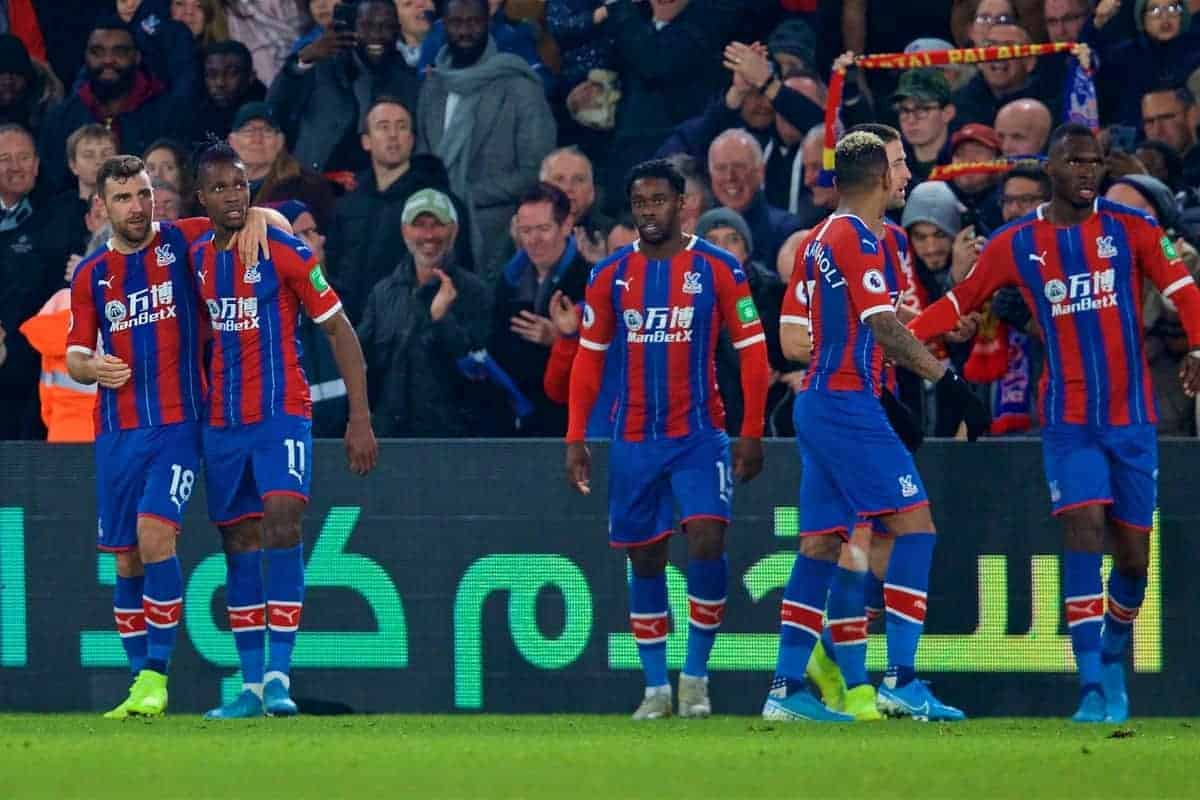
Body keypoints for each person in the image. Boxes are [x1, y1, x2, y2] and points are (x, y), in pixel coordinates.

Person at [909, 123, 1200, 723]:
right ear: (1052, 170)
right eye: (1075, 163)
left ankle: (1114, 656)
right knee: (1083, 528)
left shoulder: (1135, 230)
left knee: (1134, 562)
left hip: (1132, 419)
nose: (1088, 172)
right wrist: (896, 335)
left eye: (1095, 163)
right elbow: (961, 301)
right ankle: (1091, 685)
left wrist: (1197, 348)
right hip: (1067, 419)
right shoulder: (1017, 242)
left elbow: (1185, 288)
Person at [762, 130, 987, 724]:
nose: (907, 174)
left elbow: (862, 324)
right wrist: (951, 382)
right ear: (880, 179)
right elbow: (883, 328)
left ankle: (787, 689)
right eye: (900, 165)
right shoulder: (856, 238)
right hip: (845, 404)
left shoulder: (823, 238)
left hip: (824, 402)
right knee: (917, 529)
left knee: (819, 544)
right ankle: (903, 681)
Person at [64, 153, 275, 717]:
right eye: (125, 198)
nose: (138, 207)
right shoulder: (92, 275)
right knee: (127, 559)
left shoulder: (181, 241)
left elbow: (256, 219)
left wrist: (255, 217)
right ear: (101, 208)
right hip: (115, 432)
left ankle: (156, 675)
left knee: (156, 535)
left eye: (144, 195)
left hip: (179, 424)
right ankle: (139, 684)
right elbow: (76, 352)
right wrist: (90, 369)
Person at [564, 158, 770, 720]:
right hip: (632, 440)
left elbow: (754, 354)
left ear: (682, 204)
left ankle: (696, 678)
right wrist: (576, 435)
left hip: (701, 435)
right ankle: (656, 687)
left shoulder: (722, 268)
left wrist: (750, 431)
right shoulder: (609, 275)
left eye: (659, 200)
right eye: (640, 202)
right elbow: (588, 359)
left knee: (706, 538)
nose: (649, 211)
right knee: (646, 558)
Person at [191, 142, 378, 719]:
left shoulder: (283, 248)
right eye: (219, 187)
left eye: (240, 185)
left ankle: (279, 676)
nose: (232, 196)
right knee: (238, 541)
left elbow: (340, 330)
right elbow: (154, 225)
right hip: (222, 421)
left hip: (282, 412)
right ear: (203, 197)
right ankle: (249, 687)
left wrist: (360, 418)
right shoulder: (193, 252)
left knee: (281, 515)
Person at [415, 0, 555, 279]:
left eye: (474, 22)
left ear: (488, 23)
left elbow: (535, 172)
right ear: (444, 26)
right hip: (435, 236)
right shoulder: (432, 86)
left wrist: (466, 195)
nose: (465, 31)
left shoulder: (520, 87)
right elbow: (423, 162)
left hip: (498, 240)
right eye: (456, 23)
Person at [356, 188, 492, 437]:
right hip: (390, 438)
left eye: (437, 224)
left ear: (454, 229)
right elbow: (363, 362)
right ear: (404, 230)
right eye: (419, 225)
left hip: (452, 441)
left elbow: (480, 372)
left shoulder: (475, 291)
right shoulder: (383, 292)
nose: (428, 235)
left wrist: (441, 319)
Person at [268, 0, 419, 175]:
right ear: (353, 27)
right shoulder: (322, 65)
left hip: (378, 189)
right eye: (366, 25)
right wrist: (304, 58)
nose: (376, 34)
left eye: (386, 26)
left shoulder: (408, 82)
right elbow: (275, 107)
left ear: (398, 30)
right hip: (313, 183)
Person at [491, 182, 590, 436]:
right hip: (515, 422)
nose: (533, 240)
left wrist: (559, 340)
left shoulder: (590, 280)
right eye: (526, 231)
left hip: (570, 424)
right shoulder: (507, 281)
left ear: (566, 225)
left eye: (543, 229)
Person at [0, 123, 63, 440]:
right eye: (5, 158)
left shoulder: (55, 219)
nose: (15, 167)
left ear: (37, 165)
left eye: (24, 157)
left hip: (31, 371)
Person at [228, 101, 335, 230]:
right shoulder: (213, 187)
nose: (257, 140)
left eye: (267, 131)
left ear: (280, 141)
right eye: (248, 131)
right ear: (232, 141)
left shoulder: (310, 187)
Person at [708, 129, 803, 269]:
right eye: (721, 168)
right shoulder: (699, 230)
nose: (730, 177)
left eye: (739, 167)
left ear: (760, 173)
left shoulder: (786, 231)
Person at [189, 40, 268, 142]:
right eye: (212, 74)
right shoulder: (195, 112)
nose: (220, 83)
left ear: (251, 77)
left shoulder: (268, 112)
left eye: (231, 73)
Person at [893, 69, 957, 186]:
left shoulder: (964, 161)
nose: (911, 120)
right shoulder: (889, 162)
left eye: (922, 109)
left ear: (947, 113)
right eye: (904, 110)